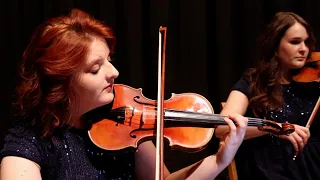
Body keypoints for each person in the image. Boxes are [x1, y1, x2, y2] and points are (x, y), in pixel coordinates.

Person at [0, 8, 248, 180]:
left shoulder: (124, 119)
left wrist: (219, 160)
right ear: (60, 82)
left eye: (110, 60)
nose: (115, 72)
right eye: (96, 68)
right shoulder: (29, 141)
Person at [215, 12, 320, 180]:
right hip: (270, 170)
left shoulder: (314, 83)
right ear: (275, 46)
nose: (304, 49)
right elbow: (221, 128)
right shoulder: (253, 83)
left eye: (307, 42)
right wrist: (274, 128)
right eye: (295, 42)